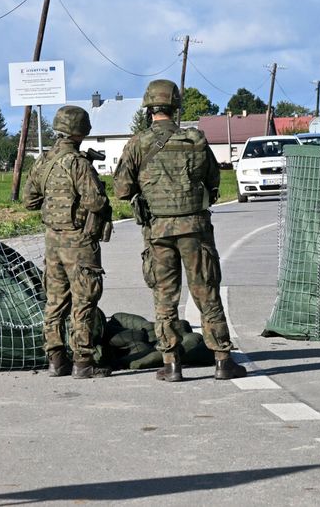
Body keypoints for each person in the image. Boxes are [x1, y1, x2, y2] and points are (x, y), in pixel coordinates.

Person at [114, 79, 247, 382]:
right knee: (206, 291)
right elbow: (214, 181)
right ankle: (223, 360)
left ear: (149, 108)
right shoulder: (195, 139)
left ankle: (171, 363)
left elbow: (122, 189)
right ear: (175, 106)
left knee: (164, 297)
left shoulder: (137, 144)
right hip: (195, 228)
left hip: (158, 231)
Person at [22, 105, 113, 379]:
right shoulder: (78, 164)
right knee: (84, 299)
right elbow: (95, 202)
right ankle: (83, 361)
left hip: (52, 241)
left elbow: (29, 201)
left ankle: (55, 359)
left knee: (54, 300)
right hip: (79, 242)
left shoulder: (43, 162)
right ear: (80, 131)